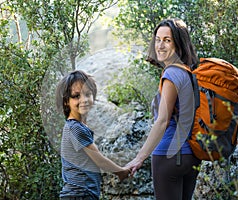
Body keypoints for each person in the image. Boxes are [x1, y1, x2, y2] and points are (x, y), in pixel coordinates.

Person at [126, 18, 201, 200]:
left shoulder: (172, 73)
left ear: (179, 43)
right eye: (158, 39)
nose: (160, 45)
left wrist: (139, 158)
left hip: (168, 156)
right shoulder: (189, 72)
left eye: (167, 40)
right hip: (191, 156)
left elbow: (162, 121)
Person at [56, 70, 129, 200]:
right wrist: (121, 172)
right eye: (76, 96)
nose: (83, 100)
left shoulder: (77, 126)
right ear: (66, 101)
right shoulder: (76, 128)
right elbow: (99, 160)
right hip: (80, 194)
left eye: (87, 94)